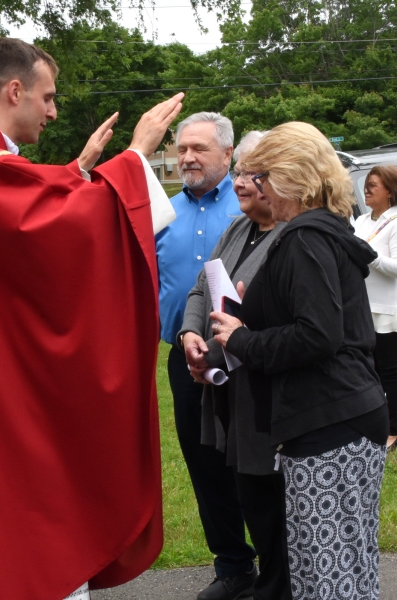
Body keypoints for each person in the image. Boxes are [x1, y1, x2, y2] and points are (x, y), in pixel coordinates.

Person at [0, 36, 182, 600]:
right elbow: (53, 233)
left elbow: (30, 216)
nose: (54, 110)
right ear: (15, 91)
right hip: (8, 394)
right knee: (32, 538)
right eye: (48, 97)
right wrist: (135, 157)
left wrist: (77, 172)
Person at [210, 121, 388, 600]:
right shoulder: (324, 230)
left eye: (261, 177)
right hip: (341, 416)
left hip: (330, 422)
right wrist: (251, 314)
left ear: (288, 176)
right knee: (339, 568)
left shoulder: (305, 237)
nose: (258, 188)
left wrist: (241, 338)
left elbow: (318, 335)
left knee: (328, 577)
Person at [179, 130, 291, 600]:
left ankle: (279, 582)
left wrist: (227, 344)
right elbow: (204, 287)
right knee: (239, 486)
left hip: (266, 387)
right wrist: (189, 334)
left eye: (251, 174)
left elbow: (285, 321)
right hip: (219, 374)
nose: (241, 183)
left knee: (271, 495)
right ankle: (249, 575)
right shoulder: (240, 228)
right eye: (241, 172)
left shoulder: (295, 235)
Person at [156, 113, 257, 600]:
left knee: (253, 457)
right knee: (203, 460)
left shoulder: (248, 210)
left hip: (248, 355)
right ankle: (233, 565)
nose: (188, 158)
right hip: (185, 356)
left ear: (228, 154)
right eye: (181, 149)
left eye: (199, 148)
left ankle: (279, 560)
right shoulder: (162, 214)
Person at [353, 165, 397, 450]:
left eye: (374, 185)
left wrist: (371, 257)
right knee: (363, 369)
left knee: (389, 370)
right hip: (361, 308)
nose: (367, 189)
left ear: (391, 192)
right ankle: (368, 423)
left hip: (385, 309)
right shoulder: (362, 221)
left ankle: (393, 430)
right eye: (366, 184)